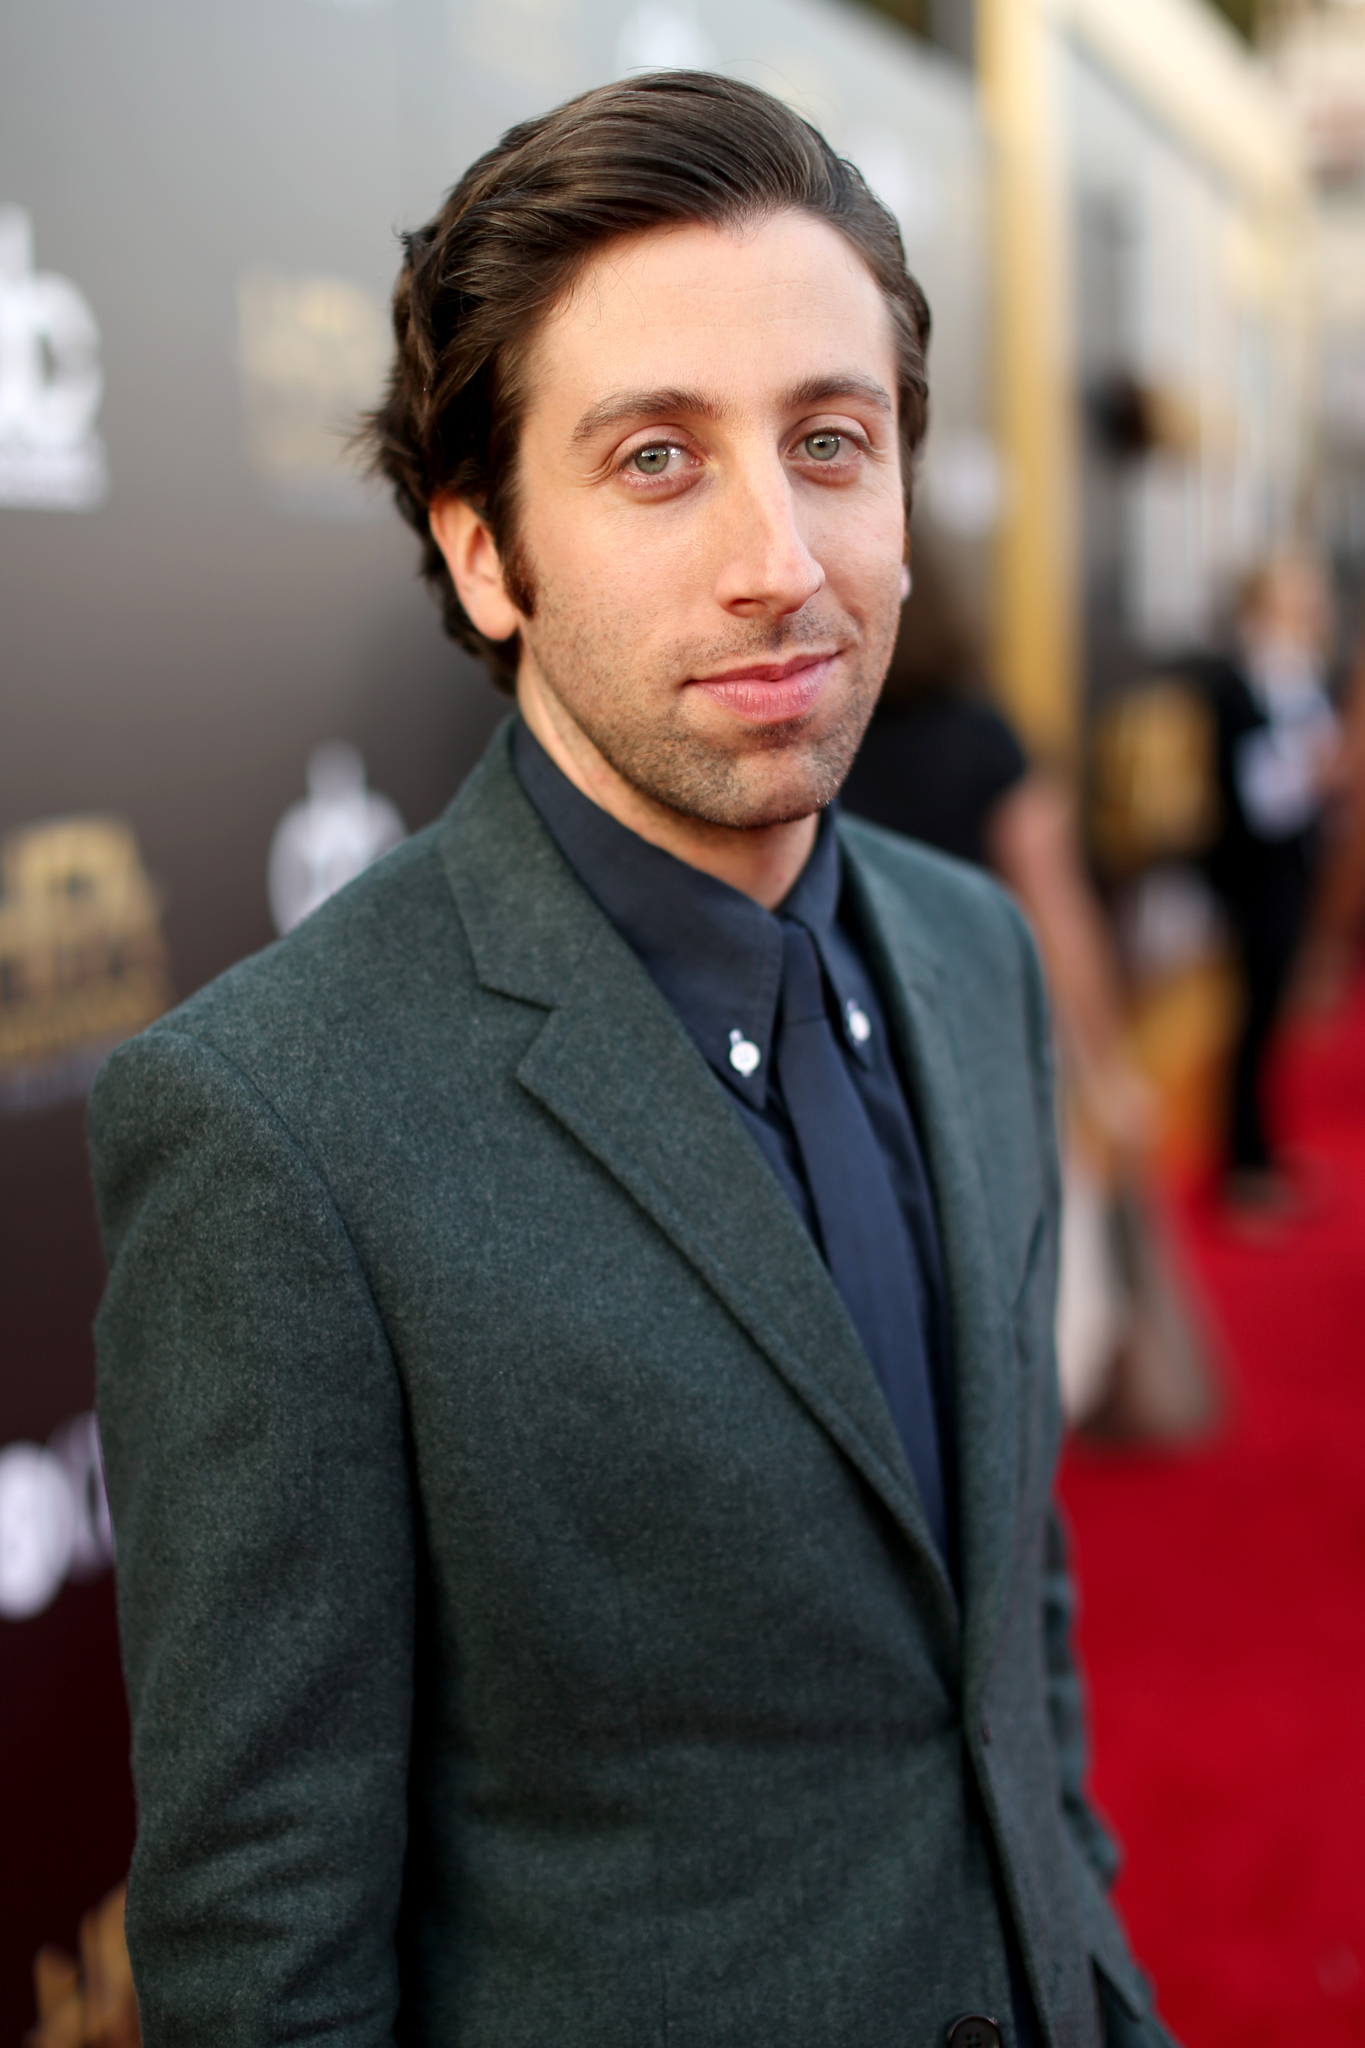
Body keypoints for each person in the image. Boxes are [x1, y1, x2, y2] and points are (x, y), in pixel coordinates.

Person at [89, 75, 1175, 2048]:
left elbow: (1002, 1624)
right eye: (657, 460)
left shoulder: (978, 955)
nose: (780, 558)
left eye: (829, 444)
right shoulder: (271, 1124)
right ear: (488, 556)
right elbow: (264, 1955)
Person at [1189, 556, 1340, 1213]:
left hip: (1295, 867)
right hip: (1254, 876)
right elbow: (1259, 796)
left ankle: (1262, 1146)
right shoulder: (1235, 682)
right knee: (1252, 1017)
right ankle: (1240, 1166)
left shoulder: (1301, 673)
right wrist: (1328, 770)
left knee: (1277, 1015)